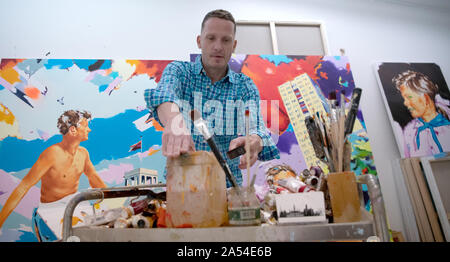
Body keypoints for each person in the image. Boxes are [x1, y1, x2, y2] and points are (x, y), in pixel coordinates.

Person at [144, 9, 279, 186]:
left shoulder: (244, 86)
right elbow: (164, 95)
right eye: (211, 38)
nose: (218, 46)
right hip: (181, 186)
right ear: (199, 41)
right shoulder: (178, 72)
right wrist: (173, 120)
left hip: (228, 188)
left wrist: (255, 140)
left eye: (226, 40)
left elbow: (257, 127)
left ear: (234, 45)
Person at [0, 110, 107, 240]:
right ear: (73, 130)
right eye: (85, 125)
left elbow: (95, 180)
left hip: (76, 205)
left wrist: (118, 207)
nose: (89, 129)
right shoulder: (52, 154)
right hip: (52, 209)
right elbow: (23, 187)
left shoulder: (83, 153)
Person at [393, 70, 450, 157]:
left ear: (426, 98)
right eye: (404, 98)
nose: (405, 103)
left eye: (409, 97)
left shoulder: (447, 121)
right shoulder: (409, 132)